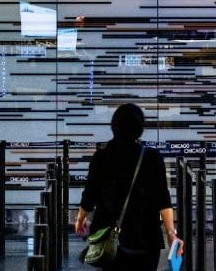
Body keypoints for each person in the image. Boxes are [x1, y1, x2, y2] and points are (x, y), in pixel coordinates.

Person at [75, 103, 182, 270]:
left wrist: (80, 218)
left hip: (109, 237)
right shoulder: (152, 158)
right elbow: (163, 200)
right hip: (145, 239)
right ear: (140, 128)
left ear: (114, 126)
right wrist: (170, 232)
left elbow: (90, 195)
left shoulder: (101, 157)